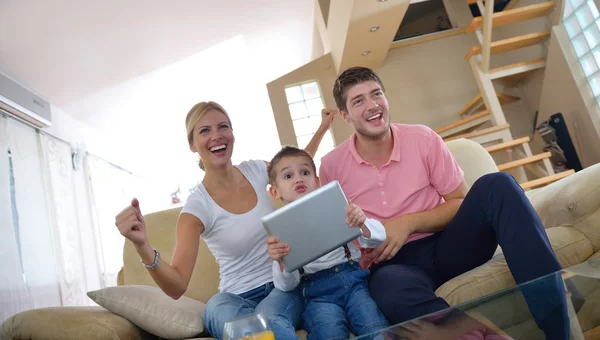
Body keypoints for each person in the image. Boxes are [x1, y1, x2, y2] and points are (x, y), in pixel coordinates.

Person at [318, 66, 569, 339]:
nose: (372, 105)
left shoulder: (422, 139)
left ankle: (557, 323)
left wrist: (408, 223)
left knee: (498, 184)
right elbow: (338, 237)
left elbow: (459, 201)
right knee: (387, 287)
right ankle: (475, 332)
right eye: (358, 101)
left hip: (448, 243)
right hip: (394, 266)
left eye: (376, 94)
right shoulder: (331, 167)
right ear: (344, 115)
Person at [115, 101, 336, 340]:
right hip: (233, 297)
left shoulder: (258, 171)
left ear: (232, 134)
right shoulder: (196, 208)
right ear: (192, 145)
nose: (216, 136)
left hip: (280, 286)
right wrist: (142, 245)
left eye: (223, 127)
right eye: (204, 131)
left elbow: (296, 167)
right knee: (221, 312)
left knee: (267, 319)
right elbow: (177, 286)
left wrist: (323, 128)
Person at [265, 146, 389, 340]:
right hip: (317, 295)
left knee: (375, 327)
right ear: (275, 192)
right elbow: (286, 286)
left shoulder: (337, 206)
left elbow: (379, 237)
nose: (298, 179)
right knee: (327, 332)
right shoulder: (280, 232)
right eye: (288, 176)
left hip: (354, 283)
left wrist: (362, 222)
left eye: (305, 172)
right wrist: (281, 261)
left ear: (317, 181)